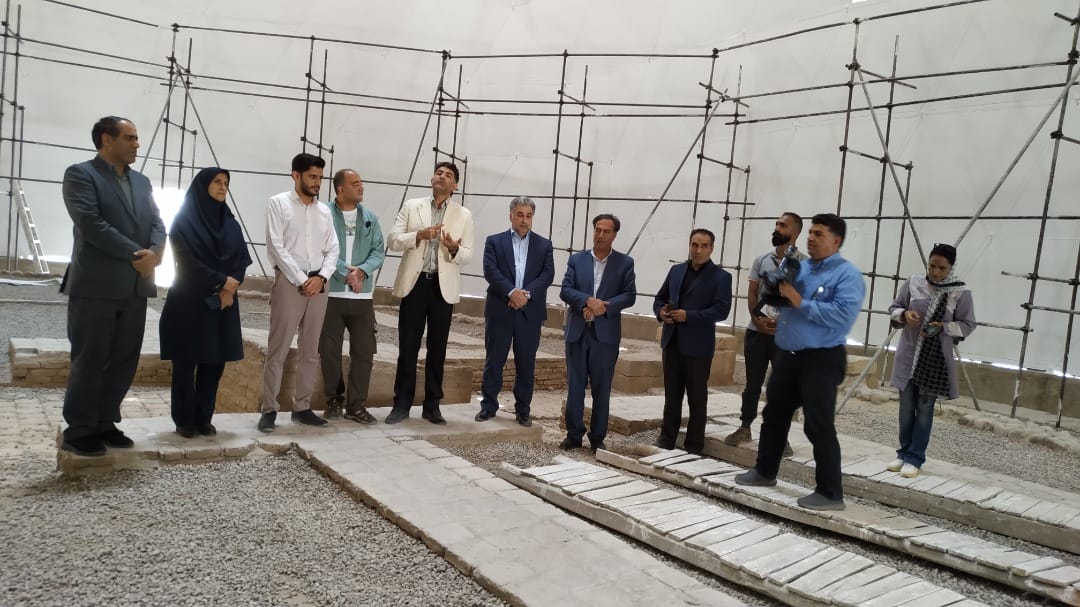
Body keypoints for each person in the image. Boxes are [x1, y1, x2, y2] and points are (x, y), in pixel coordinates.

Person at [735, 213, 865, 511]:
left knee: (818, 424)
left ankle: (830, 493)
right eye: (811, 233)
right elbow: (783, 299)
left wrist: (798, 300)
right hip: (789, 355)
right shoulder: (802, 267)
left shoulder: (847, 276)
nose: (811, 238)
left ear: (836, 241)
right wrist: (776, 290)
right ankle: (765, 471)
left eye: (819, 234)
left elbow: (840, 316)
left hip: (821, 359)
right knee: (774, 415)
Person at [59, 116, 166, 457]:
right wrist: (138, 254)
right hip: (96, 286)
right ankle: (79, 429)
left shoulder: (142, 181)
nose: (137, 144)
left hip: (135, 286)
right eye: (129, 138)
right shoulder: (81, 175)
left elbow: (157, 222)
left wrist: (157, 252)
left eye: (136, 137)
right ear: (107, 139)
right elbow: (90, 223)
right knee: (90, 359)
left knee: (123, 360)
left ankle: (106, 421)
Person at [160, 168, 251, 438]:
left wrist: (231, 284)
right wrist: (222, 283)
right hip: (189, 300)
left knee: (214, 362)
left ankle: (204, 418)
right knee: (186, 362)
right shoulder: (183, 222)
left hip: (223, 303)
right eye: (217, 182)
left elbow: (241, 259)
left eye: (226, 183)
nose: (223, 187)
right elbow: (188, 262)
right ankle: (184, 419)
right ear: (202, 186)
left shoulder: (230, 223)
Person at [385, 162, 474, 425]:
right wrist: (418, 235)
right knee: (408, 347)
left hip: (441, 288)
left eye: (448, 175)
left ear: (455, 185)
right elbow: (393, 240)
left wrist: (454, 249)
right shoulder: (413, 206)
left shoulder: (463, 215)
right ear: (432, 178)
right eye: (438, 173)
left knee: (438, 350)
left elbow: (468, 254)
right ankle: (401, 404)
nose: (442, 177)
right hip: (415, 285)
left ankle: (432, 406)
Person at [258, 153, 339, 432]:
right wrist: (304, 280)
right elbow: (276, 246)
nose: (317, 182)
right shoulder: (278, 203)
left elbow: (333, 249)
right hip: (290, 283)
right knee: (278, 348)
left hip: (319, 285)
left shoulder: (324, 211)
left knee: (310, 350)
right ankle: (269, 409)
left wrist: (321, 278)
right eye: (312, 176)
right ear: (296, 175)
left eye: (320, 178)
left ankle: (302, 407)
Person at [887, 243, 975, 478]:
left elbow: (968, 325)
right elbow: (894, 308)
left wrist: (943, 327)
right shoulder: (914, 283)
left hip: (934, 361)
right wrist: (905, 314)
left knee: (925, 409)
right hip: (908, 356)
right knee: (906, 407)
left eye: (941, 268)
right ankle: (903, 453)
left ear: (951, 267)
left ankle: (915, 458)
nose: (935, 272)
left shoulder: (960, 291)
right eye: (932, 266)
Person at [725, 212, 806, 457]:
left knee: (783, 388)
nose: (777, 228)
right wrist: (756, 319)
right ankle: (745, 427)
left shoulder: (805, 265)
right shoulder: (761, 260)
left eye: (783, 225)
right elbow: (752, 292)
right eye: (777, 224)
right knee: (752, 384)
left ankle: (780, 436)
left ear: (795, 232)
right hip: (757, 333)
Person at [475, 196, 555, 427]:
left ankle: (523, 411)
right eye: (520, 215)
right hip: (500, 309)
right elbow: (490, 270)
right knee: (494, 361)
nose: (524, 220)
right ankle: (488, 406)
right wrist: (511, 292)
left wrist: (525, 295)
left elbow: (547, 274)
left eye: (529, 216)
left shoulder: (544, 245)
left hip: (529, 313)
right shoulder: (494, 241)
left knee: (526, 364)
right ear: (511, 215)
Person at [559, 214, 637, 452]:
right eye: (597, 230)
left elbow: (629, 295)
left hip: (605, 336)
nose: (600, 235)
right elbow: (565, 290)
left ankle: (597, 437)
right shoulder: (577, 260)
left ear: (614, 235)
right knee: (575, 387)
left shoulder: (625, 263)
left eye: (606, 231)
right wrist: (587, 301)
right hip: (578, 332)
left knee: (602, 389)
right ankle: (574, 435)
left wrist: (603, 307)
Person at [653, 229, 732, 454]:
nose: (698, 250)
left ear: (711, 248)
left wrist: (689, 316)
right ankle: (666, 439)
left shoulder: (721, 277)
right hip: (672, 342)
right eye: (694, 245)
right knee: (672, 396)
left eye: (704, 246)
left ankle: (694, 445)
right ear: (689, 245)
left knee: (697, 399)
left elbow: (721, 310)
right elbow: (660, 297)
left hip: (698, 346)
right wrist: (661, 313)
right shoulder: (676, 271)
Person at [318, 169, 385, 424]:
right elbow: (320, 249)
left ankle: (356, 406)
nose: (361, 187)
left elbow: (378, 251)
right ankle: (333, 400)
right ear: (340, 189)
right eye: (355, 183)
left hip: (362, 298)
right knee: (329, 351)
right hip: (331, 294)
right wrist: (345, 274)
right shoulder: (323, 213)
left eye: (361, 183)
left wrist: (362, 272)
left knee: (364, 353)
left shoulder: (370, 218)